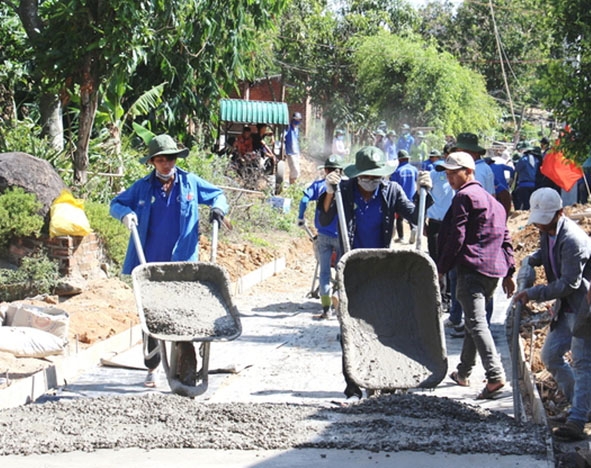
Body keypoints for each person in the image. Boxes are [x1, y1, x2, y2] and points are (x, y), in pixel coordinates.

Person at [110, 134, 229, 388]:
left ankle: (185, 366)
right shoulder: (143, 187)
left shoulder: (189, 182)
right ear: (153, 161)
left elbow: (218, 194)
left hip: (183, 263)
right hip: (151, 264)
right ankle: (152, 366)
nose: (166, 164)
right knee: (153, 317)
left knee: (182, 314)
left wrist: (218, 208)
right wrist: (125, 214)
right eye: (161, 160)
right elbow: (116, 203)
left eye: (170, 159)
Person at [320, 146, 432, 401]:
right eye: (366, 177)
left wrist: (424, 193)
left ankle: (384, 377)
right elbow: (325, 220)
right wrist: (328, 192)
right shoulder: (344, 191)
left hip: (381, 268)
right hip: (351, 266)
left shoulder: (391, 191)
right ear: (357, 175)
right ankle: (353, 383)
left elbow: (416, 215)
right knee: (349, 327)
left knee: (383, 324)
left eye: (376, 177)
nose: (371, 182)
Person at [436, 151, 516, 400]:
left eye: (453, 173)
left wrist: (441, 266)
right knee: (474, 321)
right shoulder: (493, 202)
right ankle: (463, 372)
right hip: (493, 272)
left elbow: (457, 236)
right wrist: (510, 271)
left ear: (468, 172)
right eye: (447, 173)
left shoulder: (464, 196)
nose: (449, 178)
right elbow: (506, 237)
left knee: (477, 323)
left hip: (471, 270)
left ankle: (495, 376)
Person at [513, 188, 591, 441]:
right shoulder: (549, 231)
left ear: (560, 213)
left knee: (582, 363)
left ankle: (578, 421)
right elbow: (546, 253)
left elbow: (570, 283)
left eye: (544, 221)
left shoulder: (574, 240)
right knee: (551, 356)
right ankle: (581, 407)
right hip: (565, 308)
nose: (540, 226)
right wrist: (531, 261)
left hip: (583, 308)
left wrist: (534, 293)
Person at [297, 155, 344, 320]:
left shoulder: (318, 185)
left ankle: (326, 309)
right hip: (341, 236)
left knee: (324, 272)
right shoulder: (345, 187)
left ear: (325, 170)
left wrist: (301, 217)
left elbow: (304, 199)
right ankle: (339, 298)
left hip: (323, 236)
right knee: (342, 271)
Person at [426, 156, 454, 313]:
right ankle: (441, 298)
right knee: (436, 261)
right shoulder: (432, 175)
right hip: (435, 223)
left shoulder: (460, 180)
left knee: (450, 260)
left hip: (452, 222)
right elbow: (425, 197)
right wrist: (423, 220)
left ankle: (449, 297)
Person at [391, 150, 418, 244]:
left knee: (399, 218)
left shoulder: (396, 171)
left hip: (400, 198)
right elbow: (417, 181)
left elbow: (392, 184)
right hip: (412, 196)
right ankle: (414, 229)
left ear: (399, 159)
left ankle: (401, 237)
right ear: (408, 158)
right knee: (411, 214)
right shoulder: (414, 169)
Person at [284, 112, 302, 184]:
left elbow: (296, 140)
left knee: (296, 172)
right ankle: (292, 186)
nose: (297, 122)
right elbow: (283, 138)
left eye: (298, 120)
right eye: (296, 120)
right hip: (290, 152)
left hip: (296, 152)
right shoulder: (288, 128)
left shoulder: (296, 129)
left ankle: (293, 186)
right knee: (295, 170)